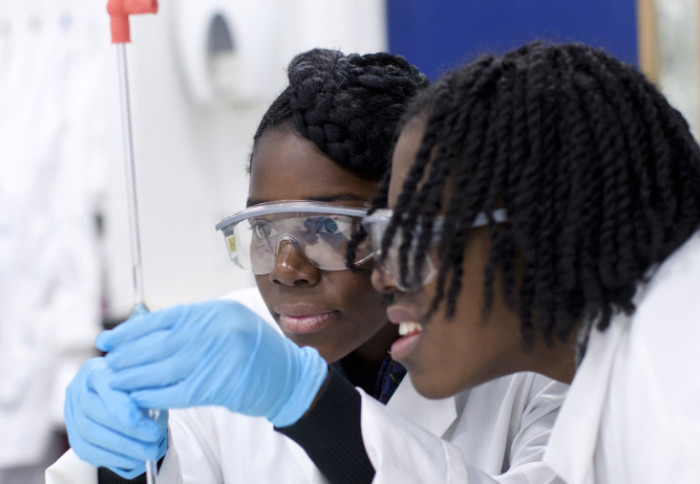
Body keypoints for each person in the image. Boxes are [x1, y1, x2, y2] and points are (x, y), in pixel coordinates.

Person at [46, 49, 567, 483]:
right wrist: (125, 463)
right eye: (266, 230)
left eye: (325, 228)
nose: (287, 268)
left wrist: (311, 406)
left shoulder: (529, 367)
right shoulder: (226, 355)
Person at [360, 41, 700, 483]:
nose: (383, 276)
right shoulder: (614, 381)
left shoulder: (672, 373)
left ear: (546, 221)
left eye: (418, 236)